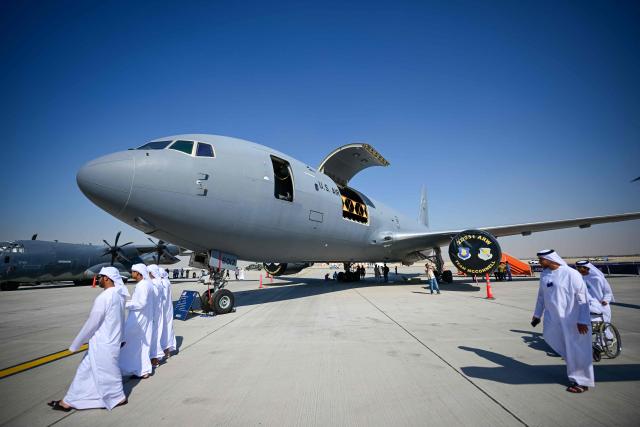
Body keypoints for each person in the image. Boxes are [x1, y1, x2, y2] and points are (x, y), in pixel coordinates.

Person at [48, 267, 127, 411]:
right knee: (85, 371)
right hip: (110, 341)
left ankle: (118, 397)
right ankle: (68, 401)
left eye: (100, 276)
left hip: (103, 343)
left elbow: (92, 323)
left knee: (108, 372)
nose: (98, 279)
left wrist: (76, 344)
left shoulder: (105, 297)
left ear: (107, 278)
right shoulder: (118, 295)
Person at [531, 249, 594, 393]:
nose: (539, 262)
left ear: (550, 259)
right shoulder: (544, 274)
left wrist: (583, 320)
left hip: (573, 319)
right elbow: (541, 296)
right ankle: (575, 369)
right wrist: (537, 315)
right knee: (561, 345)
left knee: (577, 350)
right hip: (553, 319)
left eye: (541, 260)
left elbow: (582, 297)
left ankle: (582, 382)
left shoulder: (571, 274)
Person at [120, 264, 155, 379]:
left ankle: (138, 369)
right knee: (140, 345)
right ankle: (141, 370)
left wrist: (125, 304)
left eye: (133, 271)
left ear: (139, 273)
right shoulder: (146, 284)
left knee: (129, 343)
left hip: (138, 319)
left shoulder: (143, 285)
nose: (132, 274)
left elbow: (141, 303)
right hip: (142, 318)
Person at [147, 265, 165, 367]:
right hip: (158, 312)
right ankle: (156, 359)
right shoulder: (160, 282)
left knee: (153, 337)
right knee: (157, 335)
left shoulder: (153, 284)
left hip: (153, 313)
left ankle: (154, 360)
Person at [159, 268, 176, 358]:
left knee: (164, 330)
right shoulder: (167, 281)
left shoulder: (163, 282)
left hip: (164, 310)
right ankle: (167, 351)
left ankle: (165, 351)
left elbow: (163, 298)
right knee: (167, 329)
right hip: (167, 310)